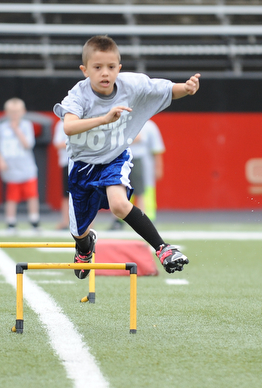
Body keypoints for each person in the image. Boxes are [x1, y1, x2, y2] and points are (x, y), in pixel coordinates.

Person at [53, 35, 199, 277]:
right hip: (82, 164)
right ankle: (85, 246)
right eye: (97, 67)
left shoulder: (132, 84)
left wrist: (186, 88)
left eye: (111, 67)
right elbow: (68, 127)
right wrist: (104, 118)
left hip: (114, 157)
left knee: (119, 205)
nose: (105, 73)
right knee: (78, 231)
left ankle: (163, 249)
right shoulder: (78, 95)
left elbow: (166, 90)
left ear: (119, 68)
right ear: (84, 70)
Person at [110, 119, 165, 229]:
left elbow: (155, 147)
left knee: (140, 191)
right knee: (119, 190)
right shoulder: (120, 121)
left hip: (138, 159)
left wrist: (158, 167)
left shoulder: (149, 125)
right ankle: (118, 221)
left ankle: (145, 220)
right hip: (120, 159)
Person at [0, 98, 40, 232]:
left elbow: (28, 144)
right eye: (11, 111)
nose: (14, 114)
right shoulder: (1, 128)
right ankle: (11, 222)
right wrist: (0, 161)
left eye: (17, 111)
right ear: (6, 112)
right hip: (10, 169)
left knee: (32, 196)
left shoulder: (27, 125)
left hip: (26, 169)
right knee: (11, 197)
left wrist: (16, 130)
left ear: (23, 112)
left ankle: (34, 221)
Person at [52, 119, 70, 230]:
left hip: (85, 162)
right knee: (66, 193)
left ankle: (88, 222)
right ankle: (65, 221)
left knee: (86, 193)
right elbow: (58, 143)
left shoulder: (88, 119)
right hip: (67, 162)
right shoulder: (62, 123)